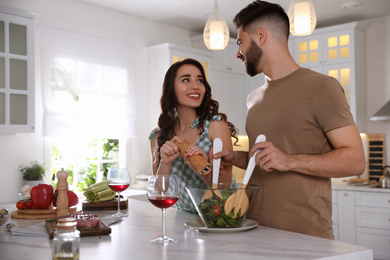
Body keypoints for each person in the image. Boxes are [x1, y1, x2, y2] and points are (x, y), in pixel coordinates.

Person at [214, 1, 365, 239]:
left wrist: (289, 161)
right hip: (253, 229)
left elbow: (355, 161)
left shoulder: (322, 87)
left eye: (240, 42)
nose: (237, 52)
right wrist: (236, 158)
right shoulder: (253, 98)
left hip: (306, 236)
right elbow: (266, 162)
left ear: (261, 36)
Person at [149, 58, 238, 213]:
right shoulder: (158, 136)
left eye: (200, 80)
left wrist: (200, 166)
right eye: (185, 80)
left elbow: (226, 188)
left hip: (220, 216)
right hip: (182, 219)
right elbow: (160, 192)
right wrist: (166, 162)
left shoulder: (216, 126)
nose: (195, 86)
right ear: (172, 88)